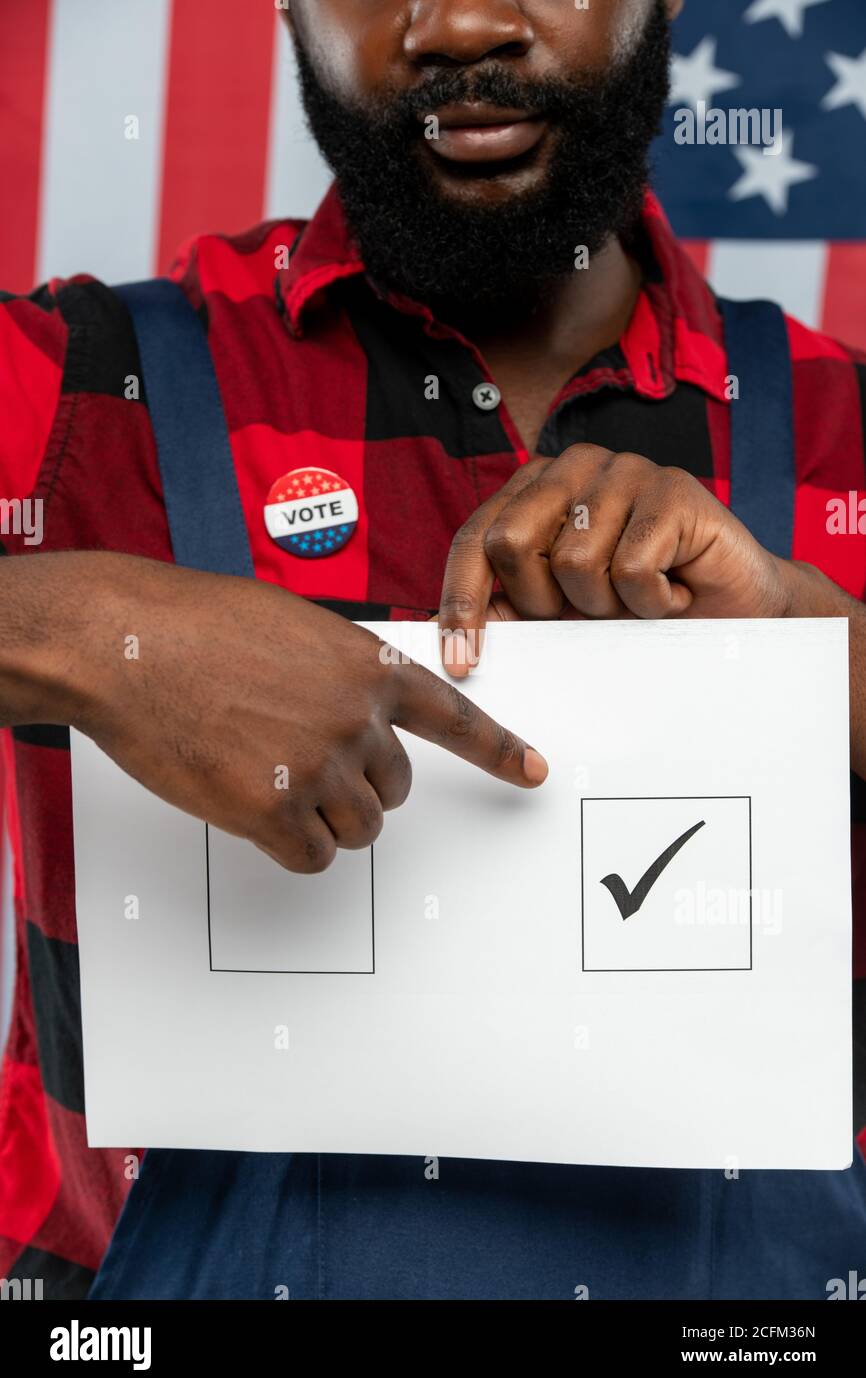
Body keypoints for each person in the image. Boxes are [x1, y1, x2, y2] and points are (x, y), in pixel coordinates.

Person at [0, 0, 864, 1301]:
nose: (459, 21)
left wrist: (817, 645)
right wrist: (82, 634)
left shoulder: (838, 426)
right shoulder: (78, 392)